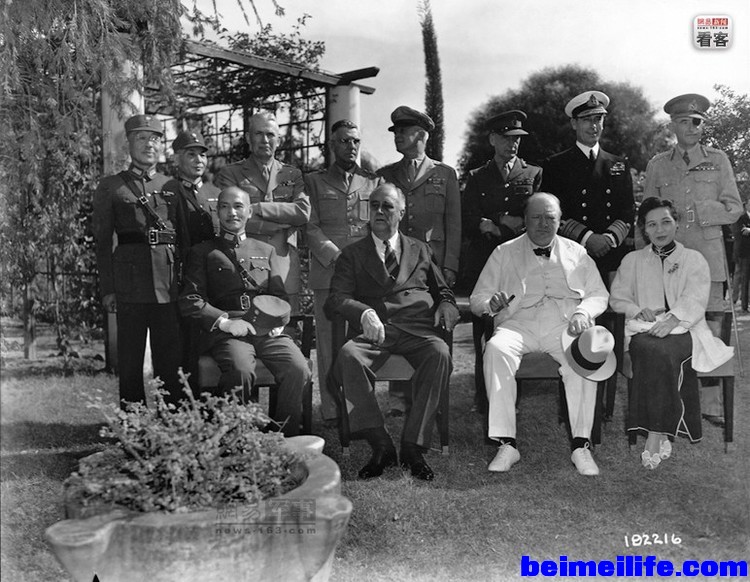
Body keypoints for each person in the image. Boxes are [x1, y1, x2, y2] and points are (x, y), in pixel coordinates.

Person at [325, 183, 459, 481]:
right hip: (376, 330)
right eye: (374, 206)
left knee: (440, 353)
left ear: (402, 211)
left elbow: (442, 289)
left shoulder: (421, 249)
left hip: (417, 328)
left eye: (387, 206)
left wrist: (447, 303)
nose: (379, 211)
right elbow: (337, 298)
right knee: (349, 356)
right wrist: (363, 313)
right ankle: (381, 443)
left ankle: (413, 446)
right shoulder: (352, 254)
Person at [470, 193, 610, 476]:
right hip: (518, 323)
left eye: (550, 218)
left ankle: (581, 445)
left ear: (560, 221)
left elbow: (598, 294)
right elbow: (477, 298)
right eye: (536, 217)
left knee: (585, 354)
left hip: (564, 323)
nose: (544, 224)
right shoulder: (504, 252)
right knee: (496, 350)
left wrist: (582, 313)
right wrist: (491, 304)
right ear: (525, 220)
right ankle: (506, 444)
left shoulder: (577, 252)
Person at [609, 197, 734, 469]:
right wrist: (636, 310)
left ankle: (655, 434)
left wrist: (674, 318)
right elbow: (617, 298)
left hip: (686, 329)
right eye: (652, 225)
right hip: (643, 330)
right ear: (644, 230)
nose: (660, 229)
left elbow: (696, 296)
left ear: (676, 223)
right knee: (651, 348)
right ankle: (662, 431)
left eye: (666, 222)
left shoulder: (693, 259)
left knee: (662, 351)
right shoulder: (632, 260)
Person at [643, 93, 742, 424]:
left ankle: (711, 404)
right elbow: (647, 214)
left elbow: (734, 208)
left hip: (709, 259)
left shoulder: (719, 160)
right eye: (684, 122)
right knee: (670, 328)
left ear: (703, 125)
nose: (691, 127)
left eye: (697, 122)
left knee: (710, 328)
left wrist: (705, 211)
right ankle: (673, 400)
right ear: (673, 126)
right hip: (669, 261)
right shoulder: (658, 165)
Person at [179, 186, 310, 436]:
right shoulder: (202, 252)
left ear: (249, 212)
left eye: (239, 206)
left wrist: (278, 322)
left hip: (266, 330)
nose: (232, 213)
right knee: (241, 371)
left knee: (298, 368)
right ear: (217, 212)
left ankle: (283, 436)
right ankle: (236, 439)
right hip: (229, 331)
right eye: (225, 207)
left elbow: (280, 297)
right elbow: (191, 299)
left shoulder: (266, 250)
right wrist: (225, 322)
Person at [92, 114, 183, 406]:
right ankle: (133, 422)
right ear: (128, 144)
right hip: (129, 284)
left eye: (154, 139)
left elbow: (185, 238)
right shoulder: (111, 187)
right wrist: (108, 289)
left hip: (168, 283)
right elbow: (102, 243)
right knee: (130, 359)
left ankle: (172, 420)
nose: (149, 145)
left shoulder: (173, 186)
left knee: (169, 359)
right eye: (141, 138)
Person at [377, 105, 461, 415]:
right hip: (398, 264)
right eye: (395, 131)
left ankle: (433, 396)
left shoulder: (445, 174)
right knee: (400, 320)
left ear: (422, 135)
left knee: (435, 329)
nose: (397, 136)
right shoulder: (387, 174)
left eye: (404, 131)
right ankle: (399, 398)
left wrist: (450, 266)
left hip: (434, 263)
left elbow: (454, 223)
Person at [462, 110, 542, 412]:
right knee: (484, 331)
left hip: (520, 264)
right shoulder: (477, 177)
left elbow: (537, 216)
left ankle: (513, 395)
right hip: (485, 264)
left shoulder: (533, 174)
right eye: (507, 138)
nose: (513, 144)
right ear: (493, 139)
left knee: (515, 327)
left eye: (517, 139)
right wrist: (496, 220)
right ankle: (484, 398)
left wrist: (505, 223)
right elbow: (468, 218)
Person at [305, 120, 383, 421]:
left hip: (364, 278)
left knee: (363, 342)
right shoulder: (314, 182)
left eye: (355, 141)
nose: (351, 146)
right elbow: (309, 226)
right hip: (328, 275)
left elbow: (380, 227)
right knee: (328, 344)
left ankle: (361, 409)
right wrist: (335, 256)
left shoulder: (373, 182)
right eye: (344, 141)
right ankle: (332, 410)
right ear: (332, 145)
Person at [214, 112, 310, 313]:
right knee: (246, 320)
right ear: (248, 138)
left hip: (283, 262)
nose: (265, 140)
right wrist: (279, 223)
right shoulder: (231, 173)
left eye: (270, 134)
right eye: (258, 134)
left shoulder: (292, 174)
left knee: (287, 322)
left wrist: (257, 208)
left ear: (279, 140)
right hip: (245, 261)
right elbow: (230, 217)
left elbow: (302, 212)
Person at [542, 90, 634, 285]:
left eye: (598, 119)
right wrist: (588, 238)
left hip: (612, 256)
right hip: (572, 256)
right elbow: (552, 213)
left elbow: (628, 211)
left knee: (614, 303)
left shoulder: (618, 164)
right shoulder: (555, 165)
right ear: (574, 123)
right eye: (586, 120)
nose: (594, 126)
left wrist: (608, 239)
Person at [165, 130, 219, 252]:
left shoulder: (216, 193)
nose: (199, 160)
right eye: (191, 155)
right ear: (176, 159)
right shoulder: (169, 193)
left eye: (202, 155)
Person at [733, 199, 750, 312]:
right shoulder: (741, 218)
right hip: (744, 253)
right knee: (744, 278)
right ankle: (744, 304)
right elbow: (740, 232)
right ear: (746, 205)